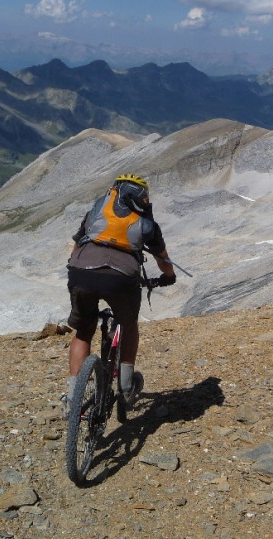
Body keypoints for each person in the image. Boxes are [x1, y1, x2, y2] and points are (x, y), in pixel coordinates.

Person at [64, 174, 176, 414]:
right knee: (129, 324)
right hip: (122, 278)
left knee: (84, 331)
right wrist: (169, 277)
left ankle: (72, 399)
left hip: (81, 270)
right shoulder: (147, 223)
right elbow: (163, 260)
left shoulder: (97, 212)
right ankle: (126, 387)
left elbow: (77, 243)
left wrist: (75, 268)